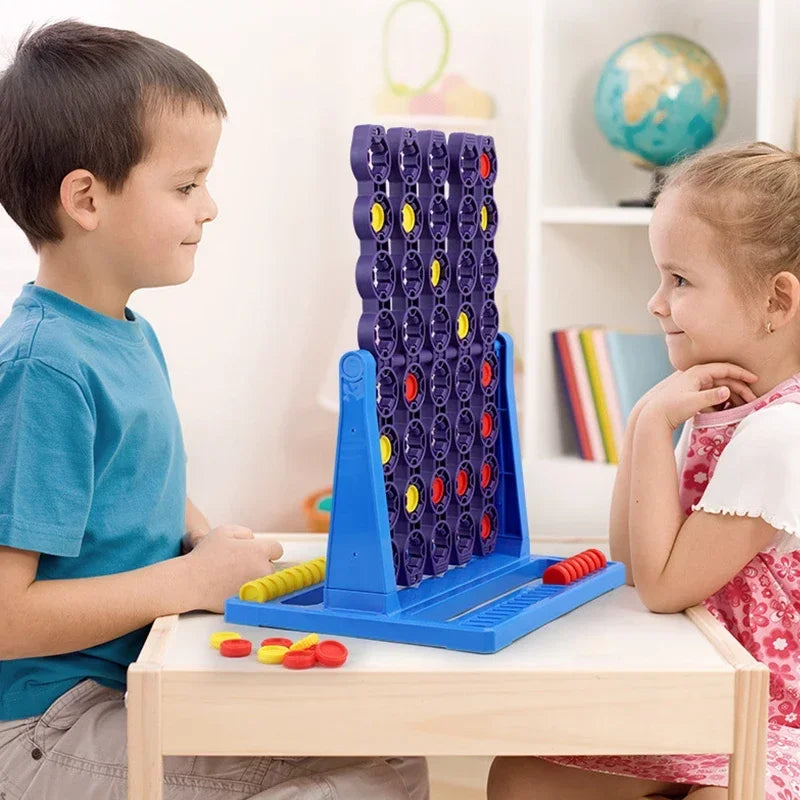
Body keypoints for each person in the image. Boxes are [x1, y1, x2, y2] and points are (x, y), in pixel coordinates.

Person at [0, 19, 427, 800]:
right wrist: (188, 581)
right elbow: (6, 616)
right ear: (87, 199)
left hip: (127, 681)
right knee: (373, 777)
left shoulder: (123, 333)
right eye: (187, 184)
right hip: (44, 728)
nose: (211, 207)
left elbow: (136, 482)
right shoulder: (44, 367)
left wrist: (205, 539)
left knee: (386, 746)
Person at [488, 142, 800, 800]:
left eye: (680, 280)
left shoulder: (780, 434)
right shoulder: (722, 409)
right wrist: (645, 423)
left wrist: (654, 422)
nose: (656, 302)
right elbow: (634, 564)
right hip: (706, 700)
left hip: (774, 722)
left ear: (777, 300)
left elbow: (661, 588)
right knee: (520, 777)